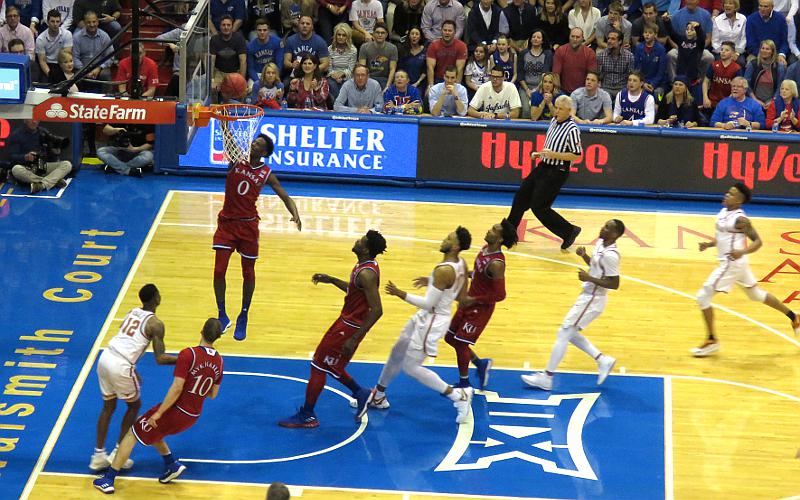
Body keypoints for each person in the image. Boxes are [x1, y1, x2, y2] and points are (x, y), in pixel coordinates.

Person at [92, 319, 225, 494]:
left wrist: (159, 413)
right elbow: (212, 394)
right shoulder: (220, 362)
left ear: (201, 331)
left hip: (176, 411)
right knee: (153, 429)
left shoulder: (189, 354)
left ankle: (108, 479)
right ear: (217, 337)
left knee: (133, 432)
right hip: (193, 415)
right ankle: (171, 464)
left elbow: (177, 388)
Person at [278, 231, 387, 428]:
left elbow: (377, 310)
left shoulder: (367, 274)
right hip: (345, 323)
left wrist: (354, 338)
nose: (357, 240)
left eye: (361, 240)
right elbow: (355, 290)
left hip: (349, 327)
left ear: (366, 249)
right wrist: (331, 280)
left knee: (319, 364)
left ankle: (308, 415)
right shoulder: (364, 267)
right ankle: (361, 393)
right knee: (330, 365)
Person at [368, 227, 474, 424]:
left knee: (411, 367)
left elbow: (428, 303)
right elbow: (459, 295)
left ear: (456, 246)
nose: (444, 239)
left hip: (432, 321)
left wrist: (400, 293)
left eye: (448, 238)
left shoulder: (443, 270)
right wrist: (433, 282)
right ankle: (379, 396)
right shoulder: (460, 263)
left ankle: (458, 396)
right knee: (397, 351)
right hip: (428, 316)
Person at [691, 184, 800, 357]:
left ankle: (712, 340)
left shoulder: (741, 219)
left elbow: (758, 242)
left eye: (732, 194)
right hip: (736, 264)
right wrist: (709, 244)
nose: (727, 195)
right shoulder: (723, 212)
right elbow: (723, 237)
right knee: (755, 295)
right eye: (728, 191)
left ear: (739, 200)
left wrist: (742, 251)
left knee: (703, 296)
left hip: (731, 263)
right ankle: (794, 317)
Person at [213, 134, 301, 341]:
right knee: (218, 270)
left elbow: (284, 195)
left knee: (248, 272)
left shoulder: (266, 173)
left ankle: (244, 313)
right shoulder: (236, 160)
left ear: (264, 153)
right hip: (227, 223)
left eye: (259, 144)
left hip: (248, 226)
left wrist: (295, 213)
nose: (254, 144)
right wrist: (225, 123)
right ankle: (222, 313)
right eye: (254, 141)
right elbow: (229, 141)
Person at [521, 219, 625, 390]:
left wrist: (589, 278)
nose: (602, 227)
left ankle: (547, 377)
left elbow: (615, 283)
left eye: (607, 228)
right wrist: (584, 256)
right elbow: (597, 267)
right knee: (570, 332)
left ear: (615, 235)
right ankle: (602, 360)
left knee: (563, 332)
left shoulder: (612, 255)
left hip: (594, 298)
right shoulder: (600, 243)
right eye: (604, 224)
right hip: (587, 295)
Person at [90, 284, 177, 471]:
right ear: (156, 298)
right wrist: (186, 359)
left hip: (106, 357)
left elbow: (125, 339)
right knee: (134, 406)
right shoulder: (156, 324)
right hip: (121, 365)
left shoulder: (132, 312)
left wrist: (133, 368)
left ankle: (98, 455)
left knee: (108, 406)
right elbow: (160, 359)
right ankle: (117, 453)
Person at [445, 220, 518, 390]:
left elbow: (500, 295)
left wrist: (473, 300)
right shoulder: (485, 249)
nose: (489, 230)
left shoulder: (496, 264)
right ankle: (481, 364)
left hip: (480, 309)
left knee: (461, 343)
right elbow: (480, 275)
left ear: (500, 239)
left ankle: (464, 383)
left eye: (494, 230)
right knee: (450, 337)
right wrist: (465, 274)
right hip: (468, 301)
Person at [507, 95, 582, 250]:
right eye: (556, 107)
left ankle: (569, 231)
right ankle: (508, 233)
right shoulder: (554, 121)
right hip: (544, 165)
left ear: (569, 111)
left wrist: (554, 155)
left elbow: (577, 155)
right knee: (521, 196)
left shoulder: (573, 129)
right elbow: (551, 146)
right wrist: (539, 153)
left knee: (539, 206)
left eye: (561, 109)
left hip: (558, 171)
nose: (557, 111)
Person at [7, 119, 72, 194]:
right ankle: (52, 182)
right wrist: (25, 157)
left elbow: (50, 155)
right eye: (31, 120)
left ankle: (41, 185)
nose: (34, 122)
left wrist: (54, 152)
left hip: (42, 165)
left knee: (67, 164)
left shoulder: (43, 132)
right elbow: (12, 156)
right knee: (16, 169)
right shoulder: (17, 134)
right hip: (27, 167)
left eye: (36, 120)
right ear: (25, 120)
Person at [71, 10, 113, 93]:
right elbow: (75, 57)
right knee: (75, 76)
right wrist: (84, 70)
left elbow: (110, 56)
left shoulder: (104, 36)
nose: (92, 25)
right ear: (84, 23)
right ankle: (75, 100)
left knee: (106, 75)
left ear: (98, 22)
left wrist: (99, 68)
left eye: (94, 22)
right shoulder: (77, 37)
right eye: (89, 22)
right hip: (82, 68)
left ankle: (107, 101)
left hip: (99, 68)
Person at [743, 39, 786, 110]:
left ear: (772, 52)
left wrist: (773, 100)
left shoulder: (779, 66)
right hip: (754, 99)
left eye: (767, 49)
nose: (764, 51)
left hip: (772, 100)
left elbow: (780, 86)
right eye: (762, 48)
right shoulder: (753, 64)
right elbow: (746, 83)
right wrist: (755, 99)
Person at [552, 27, 597, 94]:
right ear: (569, 37)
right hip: (564, 91)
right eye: (572, 36)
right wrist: (559, 92)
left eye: (577, 37)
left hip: (583, 92)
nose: (574, 39)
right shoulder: (560, 51)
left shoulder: (590, 53)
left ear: (582, 39)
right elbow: (556, 74)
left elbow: (592, 76)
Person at [702, 40, 742, 112]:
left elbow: (737, 88)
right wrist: (705, 98)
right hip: (712, 101)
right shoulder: (714, 65)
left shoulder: (737, 68)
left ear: (733, 53)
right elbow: (705, 81)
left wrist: (727, 103)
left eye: (727, 50)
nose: (723, 52)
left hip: (729, 103)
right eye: (722, 49)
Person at [425, 20, 467, 85]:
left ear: (454, 32)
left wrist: (457, 86)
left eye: (450, 31)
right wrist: (431, 86)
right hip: (438, 79)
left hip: (453, 79)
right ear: (441, 31)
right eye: (445, 30)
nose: (447, 33)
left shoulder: (461, 46)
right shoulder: (433, 46)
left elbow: (460, 69)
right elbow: (430, 68)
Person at [596, 29, 635, 99]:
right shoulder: (601, 55)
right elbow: (598, 75)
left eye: (613, 39)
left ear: (620, 41)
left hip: (622, 88)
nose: (609, 41)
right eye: (608, 38)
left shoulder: (629, 56)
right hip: (606, 88)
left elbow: (630, 76)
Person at [358, 21, 397, 90]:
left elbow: (392, 69)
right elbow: (362, 68)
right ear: (373, 34)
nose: (380, 35)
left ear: (386, 35)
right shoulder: (364, 47)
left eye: (382, 33)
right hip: (369, 78)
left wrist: (388, 86)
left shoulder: (392, 48)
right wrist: (364, 83)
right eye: (377, 32)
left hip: (384, 79)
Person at [246, 18, 284, 90]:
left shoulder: (277, 42)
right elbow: (250, 68)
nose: (262, 32)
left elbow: (279, 63)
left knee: (279, 90)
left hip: (272, 73)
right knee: (251, 90)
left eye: (265, 30)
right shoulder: (250, 46)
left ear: (269, 30)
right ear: (255, 31)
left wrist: (273, 76)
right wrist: (259, 81)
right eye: (259, 30)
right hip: (257, 74)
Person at [35, 9, 73, 80]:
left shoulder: (67, 34)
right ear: (47, 22)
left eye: (57, 21)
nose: (55, 24)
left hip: (62, 64)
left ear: (60, 22)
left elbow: (66, 56)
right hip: (48, 65)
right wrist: (50, 75)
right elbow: (42, 61)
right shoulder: (40, 39)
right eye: (52, 21)